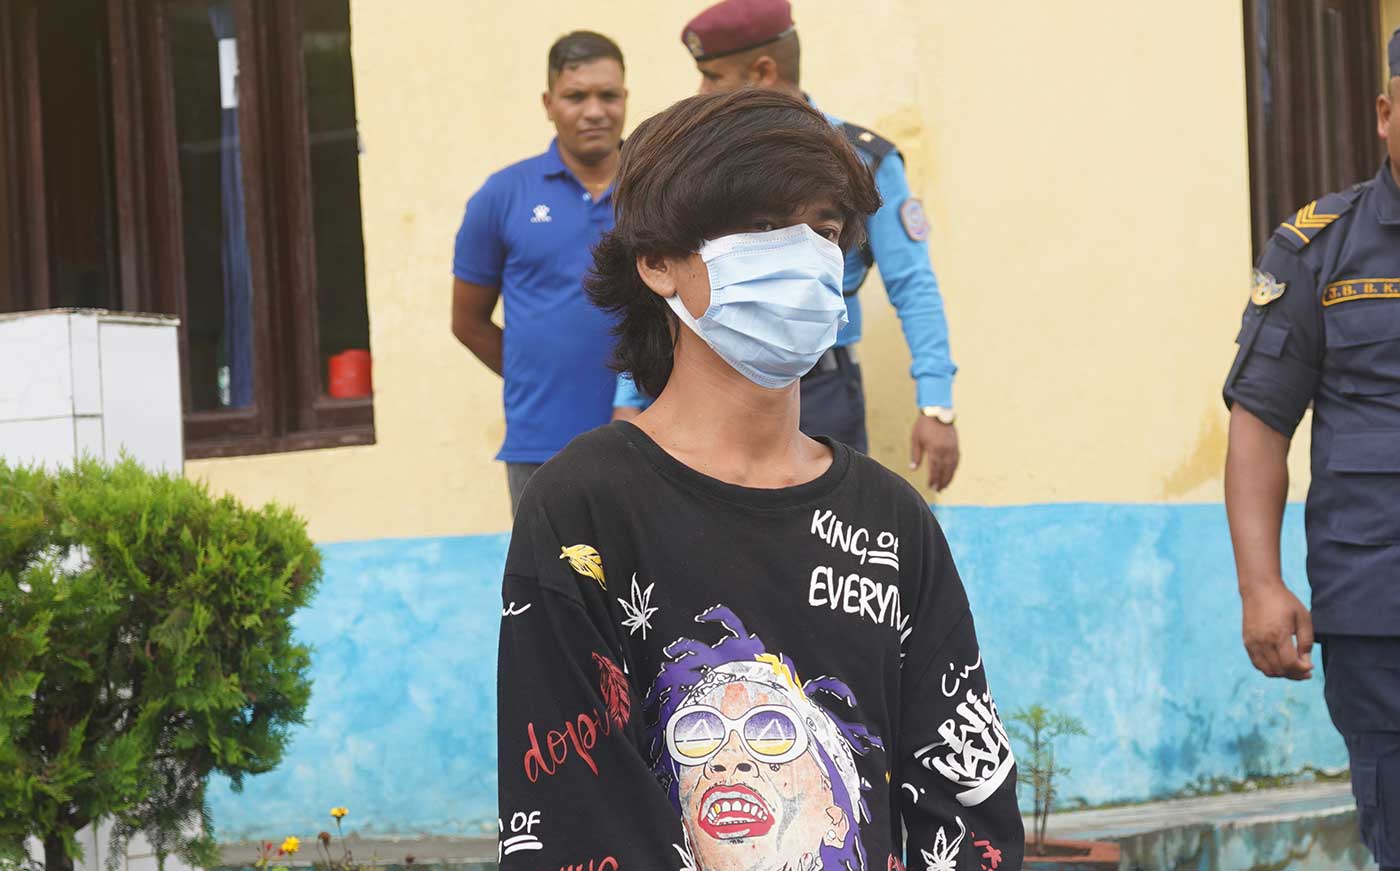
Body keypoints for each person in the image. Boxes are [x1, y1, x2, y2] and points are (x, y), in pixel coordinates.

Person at [496, 89, 1021, 870]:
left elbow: (966, 803)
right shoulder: (584, 510)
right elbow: (576, 811)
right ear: (659, 261)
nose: (805, 255)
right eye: (767, 225)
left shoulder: (891, 521)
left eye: (826, 230)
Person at [611, 0, 960, 492]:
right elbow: (663, 272)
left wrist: (936, 403)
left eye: (713, 76)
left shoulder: (860, 159)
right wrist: (631, 394)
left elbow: (913, 285)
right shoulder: (700, 160)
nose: (702, 91)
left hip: (821, 387)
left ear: (763, 72)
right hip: (706, 383)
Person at [1223, 27, 1400, 871]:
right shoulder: (1319, 250)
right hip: (1382, 616)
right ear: (1385, 113)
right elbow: (1261, 419)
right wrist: (1260, 584)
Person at [451, 31, 627, 514]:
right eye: (576, 96)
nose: (594, 111)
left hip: (652, 437)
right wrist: (534, 376)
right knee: (553, 567)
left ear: (626, 98)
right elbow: (467, 322)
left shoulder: (655, 189)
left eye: (608, 95)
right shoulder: (502, 196)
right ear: (548, 104)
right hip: (542, 447)